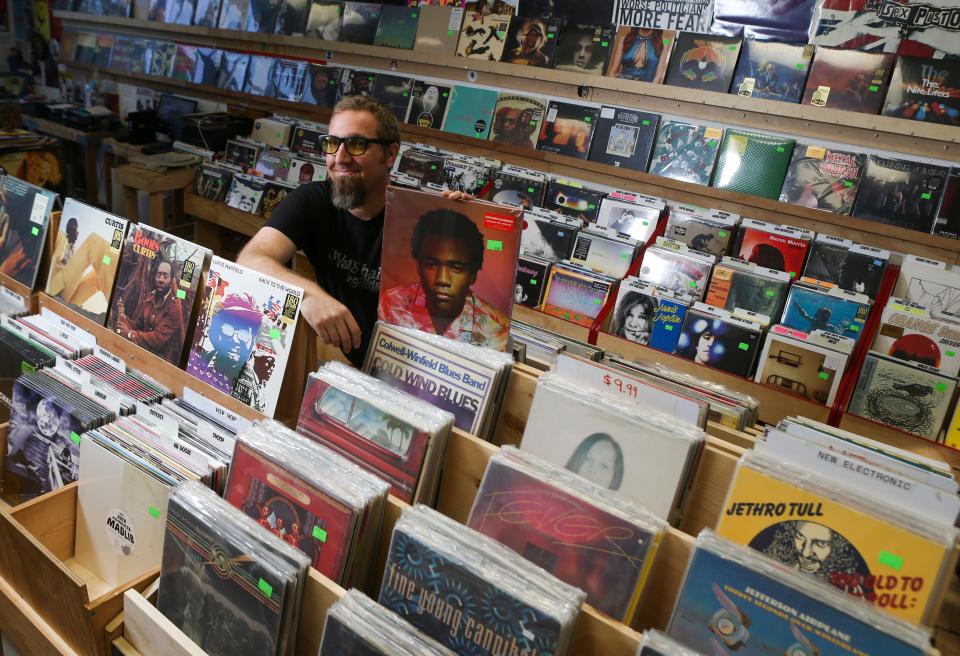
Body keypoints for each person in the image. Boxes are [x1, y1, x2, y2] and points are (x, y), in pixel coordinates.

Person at [238, 96, 469, 366]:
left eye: (357, 144)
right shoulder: (312, 200)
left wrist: (467, 223)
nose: (340, 158)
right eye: (332, 144)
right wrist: (309, 295)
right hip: (336, 363)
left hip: (410, 370)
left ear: (390, 154)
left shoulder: (422, 216)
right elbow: (251, 259)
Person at [379, 208, 510, 349]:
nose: (442, 279)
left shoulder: (496, 328)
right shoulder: (391, 304)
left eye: (456, 268)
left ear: (472, 275)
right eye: (431, 265)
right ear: (418, 267)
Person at [186, 292, 262, 394]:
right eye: (228, 329)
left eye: (243, 332)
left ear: (253, 338)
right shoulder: (199, 360)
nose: (235, 339)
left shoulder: (255, 390)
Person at [114, 259, 186, 364]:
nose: (161, 280)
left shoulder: (174, 307)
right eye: (159, 275)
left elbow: (157, 338)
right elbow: (137, 325)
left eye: (165, 276)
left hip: (160, 361)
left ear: (171, 281)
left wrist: (130, 334)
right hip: (141, 352)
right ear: (154, 277)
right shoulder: (150, 298)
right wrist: (123, 316)